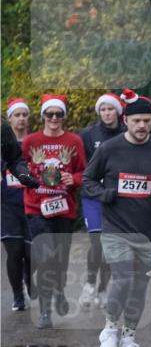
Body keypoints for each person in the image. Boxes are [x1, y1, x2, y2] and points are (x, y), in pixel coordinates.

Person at [82, 90, 151, 347]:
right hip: (116, 227)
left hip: (148, 229)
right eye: (136, 121)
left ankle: (129, 337)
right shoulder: (109, 149)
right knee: (123, 279)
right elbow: (87, 181)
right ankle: (110, 330)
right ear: (126, 121)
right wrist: (105, 194)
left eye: (147, 121)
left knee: (139, 285)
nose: (142, 126)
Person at [21, 94, 87, 329]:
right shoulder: (30, 141)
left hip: (64, 208)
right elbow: (18, 167)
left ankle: (59, 289)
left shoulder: (74, 141)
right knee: (46, 258)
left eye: (59, 114)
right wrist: (27, 178)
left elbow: (84, 172)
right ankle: (45, 311)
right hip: (36, 208)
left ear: (63, 116)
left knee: (60, 259)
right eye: (50, 114)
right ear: (43, 116)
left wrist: (74, 178)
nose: (54, 118)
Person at [77, 92, 126, 310]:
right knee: (97, 242)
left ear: (118, 111)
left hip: (116, 197)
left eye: (110, 109)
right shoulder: (88, 134)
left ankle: (103, 288)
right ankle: (89, 283)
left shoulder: (126, 133)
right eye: (103, 109)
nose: (107, 113)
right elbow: (81, 164)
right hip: (93, 196)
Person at [2, 98, 38, 311]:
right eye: (17, 115)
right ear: (10, 118)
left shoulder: (35, 141)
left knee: (32, 252)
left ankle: (28, 279)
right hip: (6, 204)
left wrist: (25, 174)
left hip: (32, 203)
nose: (21, 119)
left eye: (25, 114)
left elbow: (16, 161)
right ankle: (18, 295)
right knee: (15, 251)